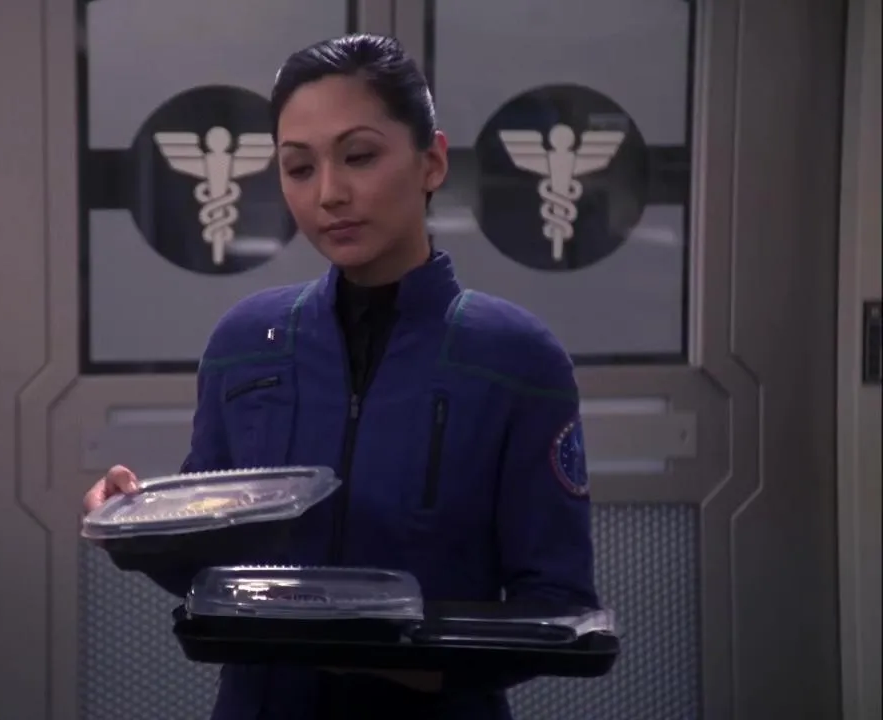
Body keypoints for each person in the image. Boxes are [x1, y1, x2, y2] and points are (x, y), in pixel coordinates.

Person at [82, 33, 598, 720]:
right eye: (299, 168)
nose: (329, 193)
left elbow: (558, 605)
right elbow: (211, 567)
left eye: (359, 156)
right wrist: (136, 529)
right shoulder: (245, 343)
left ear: (432, 162)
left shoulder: (517, 358)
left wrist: (397, 657)